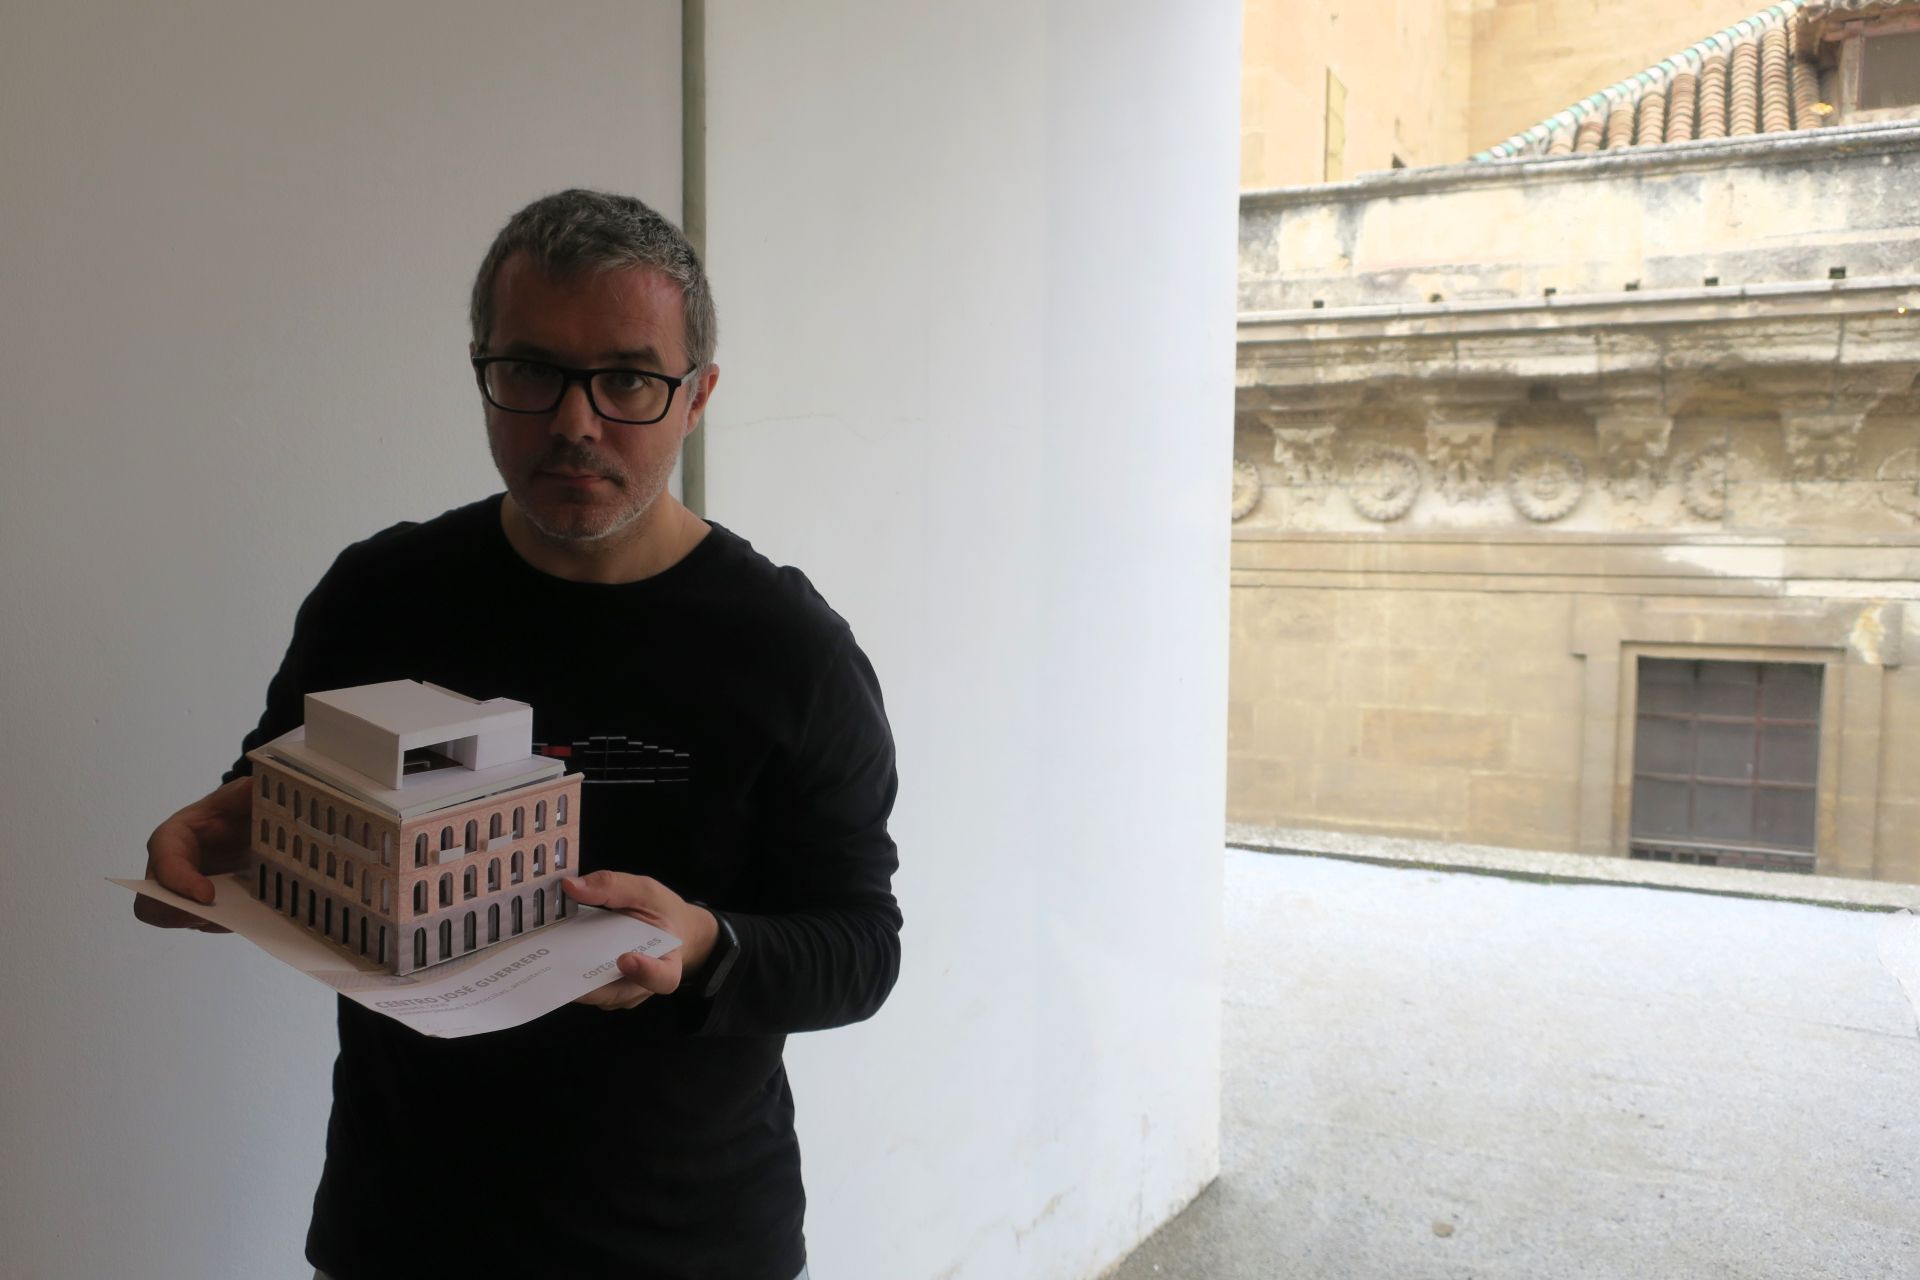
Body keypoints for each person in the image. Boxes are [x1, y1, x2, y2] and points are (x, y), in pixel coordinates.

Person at [136, 189, 902, 1280]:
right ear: (484, 374)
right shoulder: (380, 597)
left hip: (685, 1244)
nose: (575, 422)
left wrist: (701, 945)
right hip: (401, 1228)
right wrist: (225, 834)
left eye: (629, 378)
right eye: (533, 370)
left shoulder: (791, 650)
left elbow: (861, 945)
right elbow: (271, 791)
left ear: (698, 398)